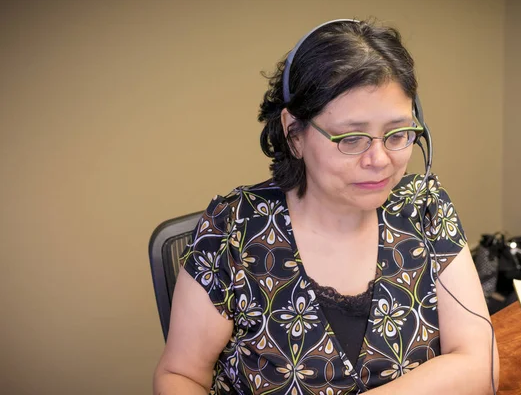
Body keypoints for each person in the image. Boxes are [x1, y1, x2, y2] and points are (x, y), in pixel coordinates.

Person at [154, 19, 499, 394]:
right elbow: (180, 377)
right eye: (351, 138)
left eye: (398, 134)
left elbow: (478, 363)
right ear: (294, 133)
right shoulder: (233, 230)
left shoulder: (425, 209)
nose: (380, 159)